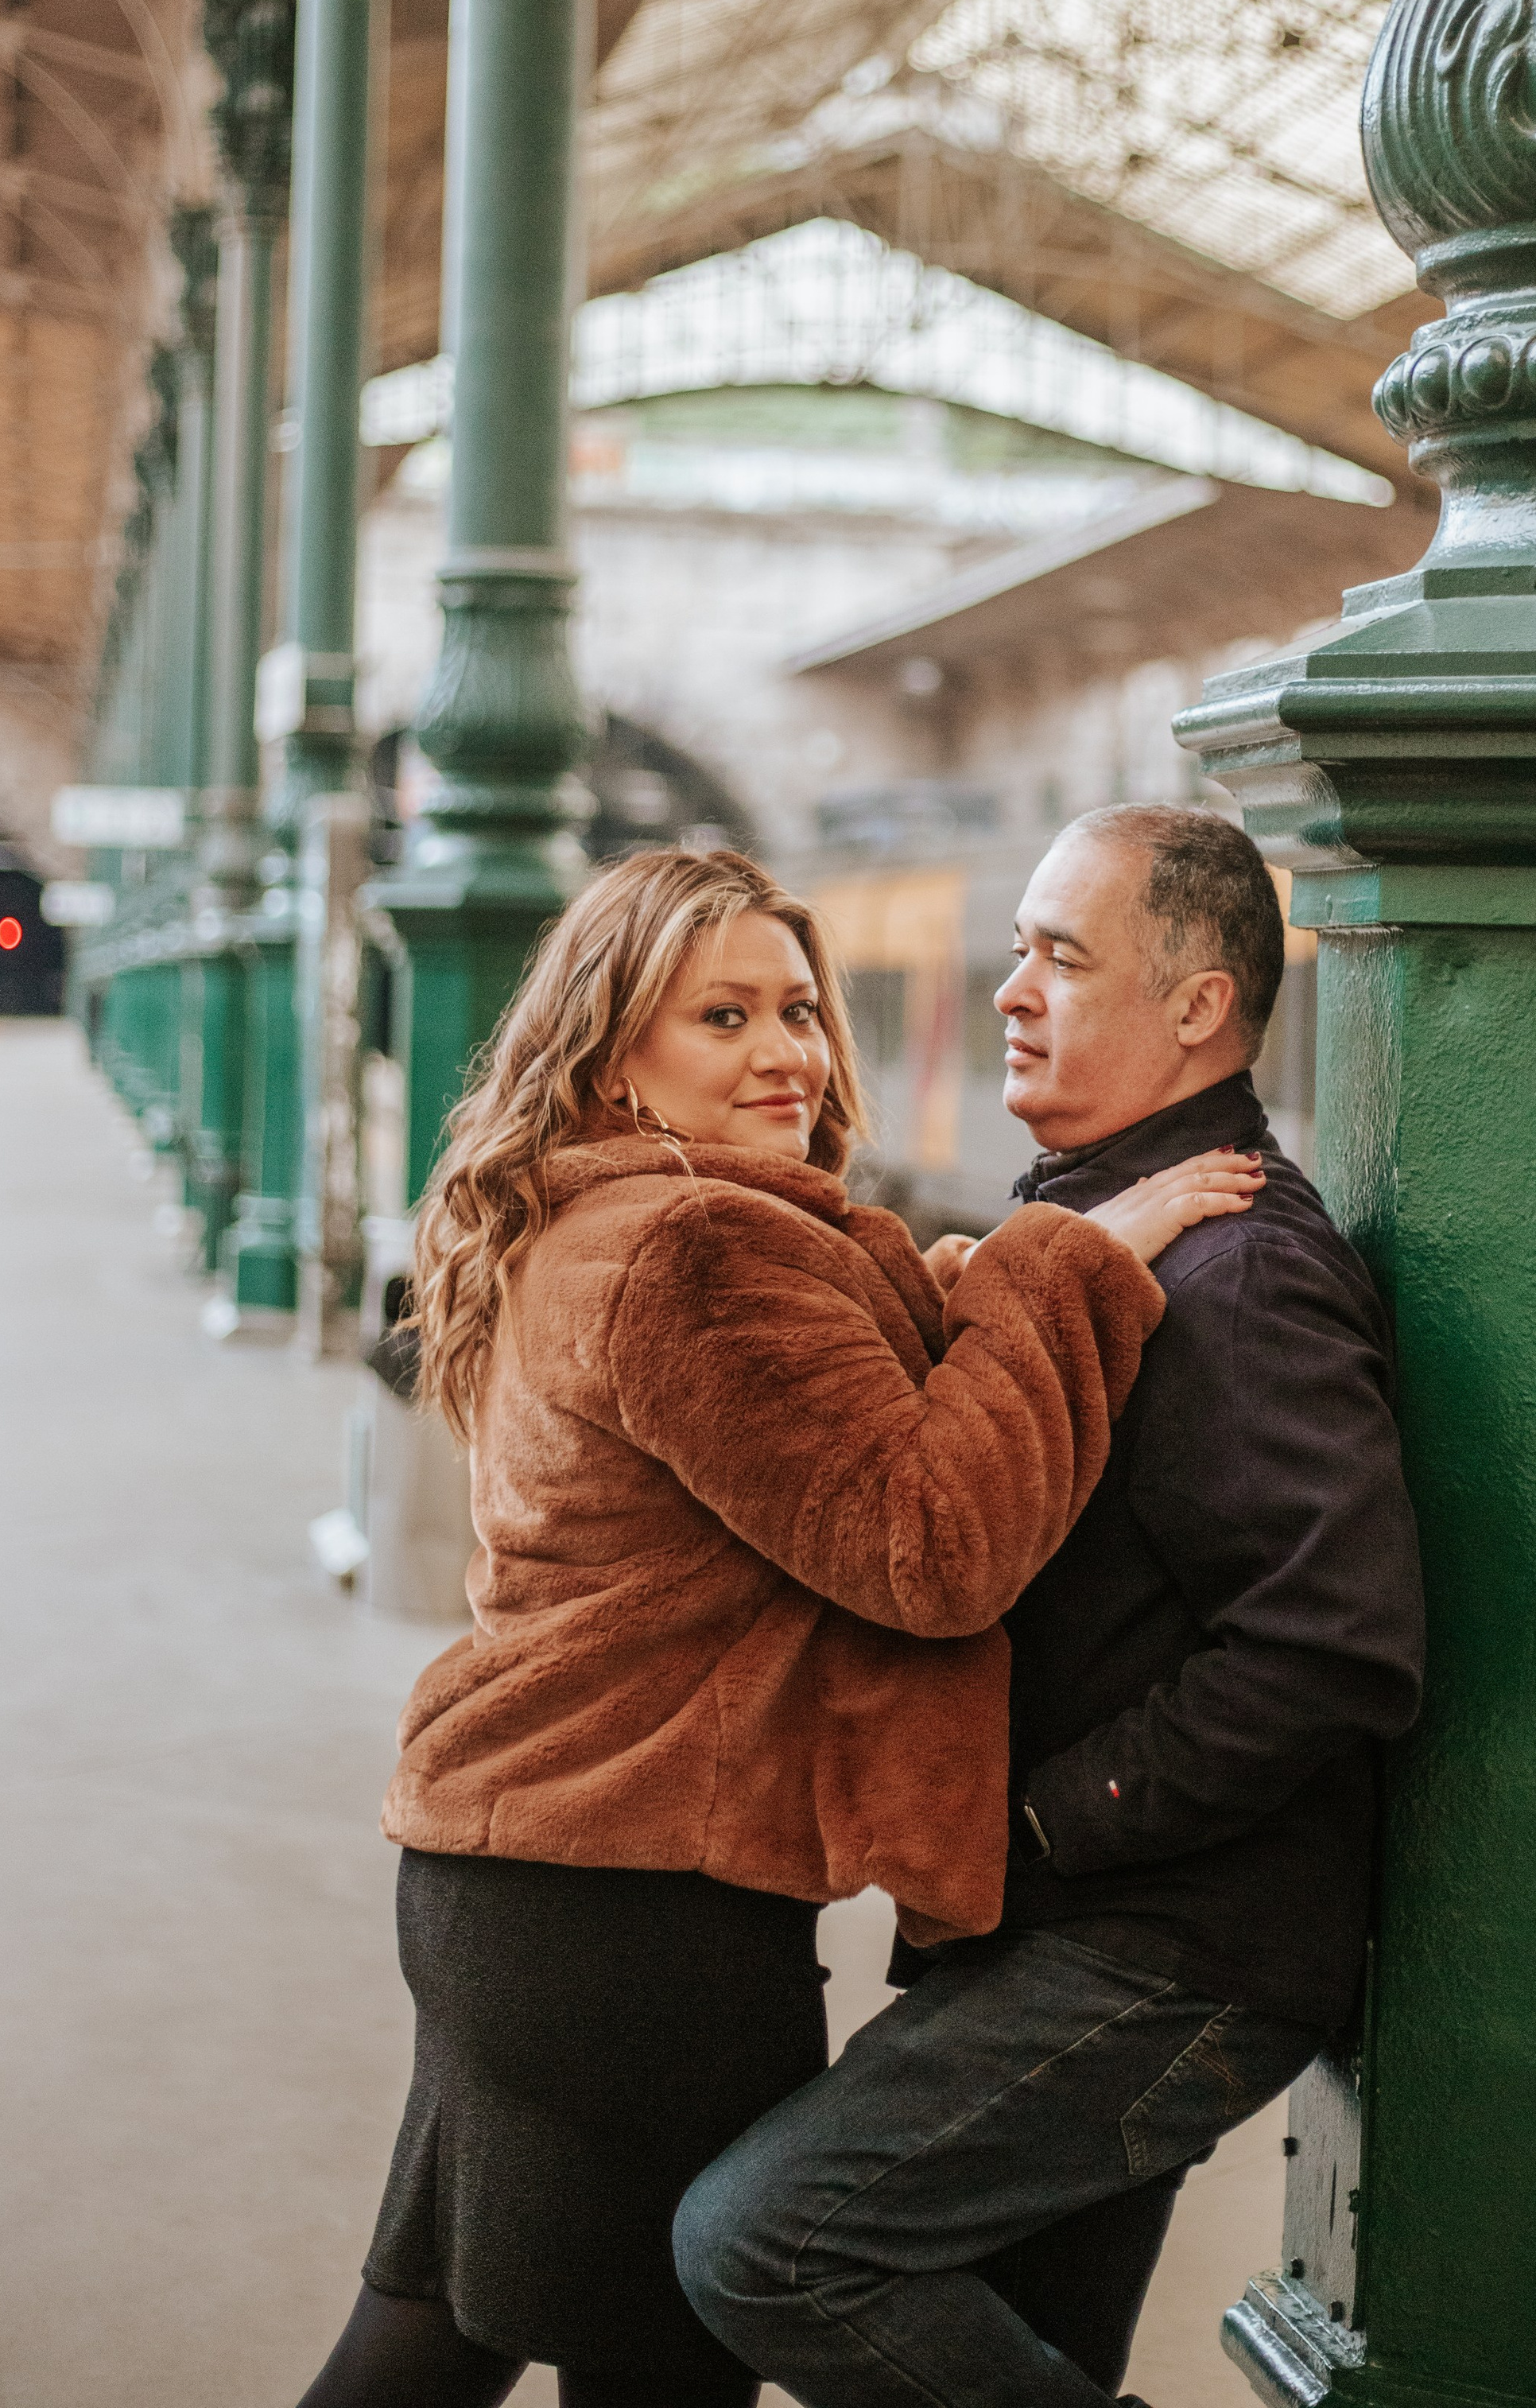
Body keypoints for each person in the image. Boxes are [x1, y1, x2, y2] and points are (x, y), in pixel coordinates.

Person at [294, 843, 1263, 2408]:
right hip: (636, 1920)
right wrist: (1061, 1271)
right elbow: (926, 1546)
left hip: (515, 1881)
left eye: (798, 1010)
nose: (786, 1053)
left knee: (434, 2330)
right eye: (720, 1018)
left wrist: (955, 1300)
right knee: (659, 2367)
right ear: (614, 1058)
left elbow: (803, 1432)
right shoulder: (695, 1248)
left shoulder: (595, 1222)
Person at [675, 805, 1425, 2408]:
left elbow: (1331, 1645)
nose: (1013, 989)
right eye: (1014, 950)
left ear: (1197, 1008)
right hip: (1082, 1927)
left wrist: (1038, 1825)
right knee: (1020, 2347)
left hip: (1167, 1945)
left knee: (763, 2243)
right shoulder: (1098, 1226)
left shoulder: (1235, 1280)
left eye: (1059, 958)